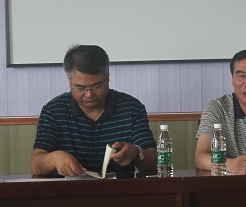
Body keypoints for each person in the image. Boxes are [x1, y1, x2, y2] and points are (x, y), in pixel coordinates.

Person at [31, 44, 157, 178]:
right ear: (69, 81)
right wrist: (54, 158)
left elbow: (156, 161)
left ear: (108, 77)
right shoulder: (53, 111)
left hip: (120, 187)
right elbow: (36, 165)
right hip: (66, 188)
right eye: (80, 87)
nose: (89, 94)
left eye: (97, 86)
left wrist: (137, 153)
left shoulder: (131, 108)